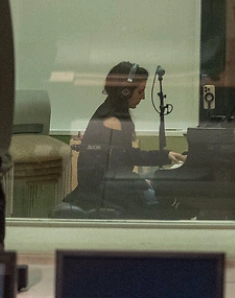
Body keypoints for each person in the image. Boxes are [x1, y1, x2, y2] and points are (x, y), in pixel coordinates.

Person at [64, 61, 186, 215]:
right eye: (140, 92)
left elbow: (125, 156)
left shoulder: (111, 113)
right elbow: (111, 170)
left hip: (109, 187)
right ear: (125, 92)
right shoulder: (111, 121)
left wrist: (166, 155)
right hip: (103, 193)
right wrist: (142, 182)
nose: (143, 98)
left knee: (158, 186)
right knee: (167, 201)